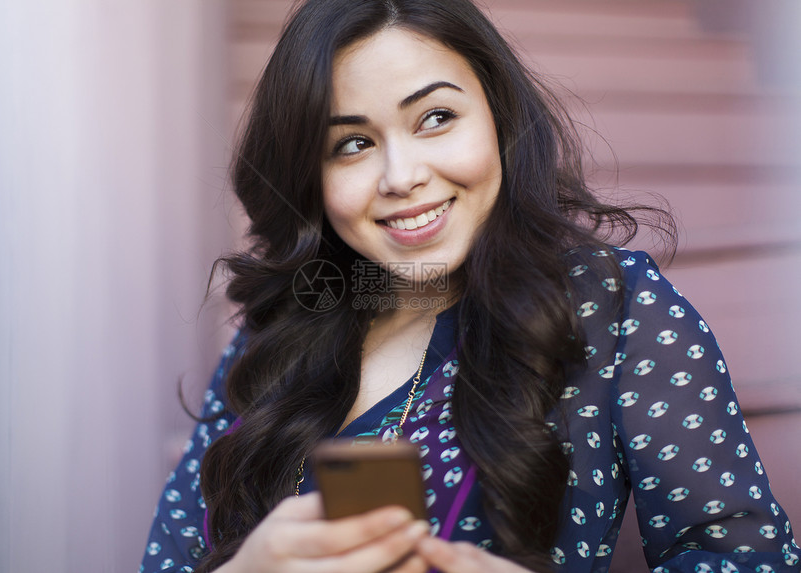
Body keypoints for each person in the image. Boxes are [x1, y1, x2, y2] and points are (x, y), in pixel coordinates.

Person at [140, 0, 799, 572]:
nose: (401, 175)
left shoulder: (616, 311)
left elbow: (750, 558)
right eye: (351, 145)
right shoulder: (283, 325)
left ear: (497, 115)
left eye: (434, 118)